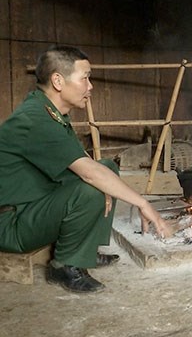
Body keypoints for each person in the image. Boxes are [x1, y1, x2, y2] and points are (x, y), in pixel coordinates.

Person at [0, 46, 173, 293]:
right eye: (85, 78)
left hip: (31, 207)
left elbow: (90, 165)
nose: (90, 86)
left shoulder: (49, 111)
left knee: (107, 168)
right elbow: (88, 173)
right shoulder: (36, 119)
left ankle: (86, 250)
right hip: (10, 222)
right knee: (90, 188)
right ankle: (64, 266)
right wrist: (143, 204)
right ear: (58, 81)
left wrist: (101, 177)